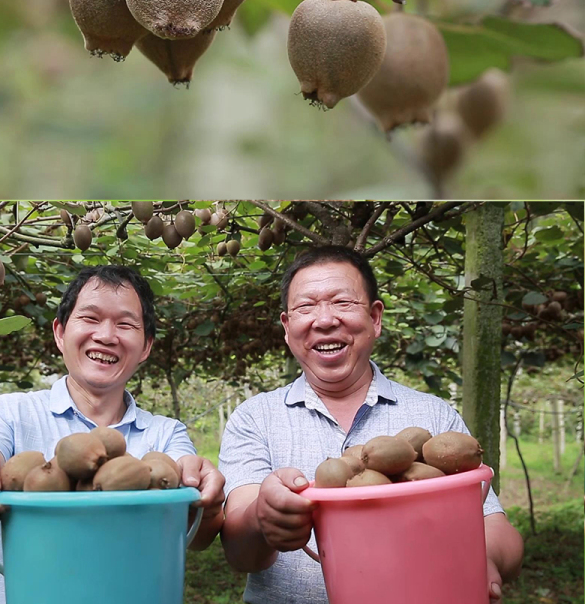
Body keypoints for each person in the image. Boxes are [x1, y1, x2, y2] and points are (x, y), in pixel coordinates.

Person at [217, 245, 525, 604]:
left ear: (376, 318)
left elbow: (494, 525)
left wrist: (483, 560)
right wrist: (262, 518)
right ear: (287, 328)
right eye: (306, 306)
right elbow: (240, 554)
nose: (325, 319)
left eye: (343, 303)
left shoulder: (433, 416)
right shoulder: (254, 418)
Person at [0, 265, 227, 604]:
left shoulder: (166, 435)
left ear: (146, 346)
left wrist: (207, 504)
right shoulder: (8, 414)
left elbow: (197, 533)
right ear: (60, 333)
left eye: (125, 324)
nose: (106, 335)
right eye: (90, 319)